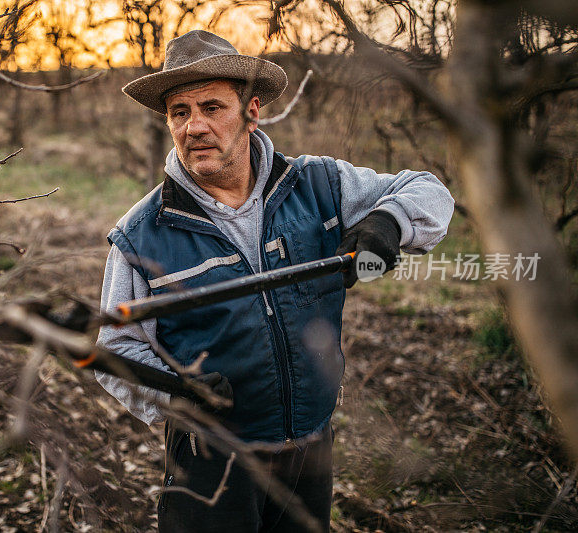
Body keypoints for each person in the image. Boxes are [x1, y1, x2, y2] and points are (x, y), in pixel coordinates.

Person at [96, 30, 454, 532]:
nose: (194, 126)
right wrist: (176, 392)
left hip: (311, 447)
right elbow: (114, 349)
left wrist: (387, 224)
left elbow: (428, 191)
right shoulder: (141, 235)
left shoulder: (318, 185)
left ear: (252, 111)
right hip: (210, 464)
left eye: (212, 107)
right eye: (179, 112)